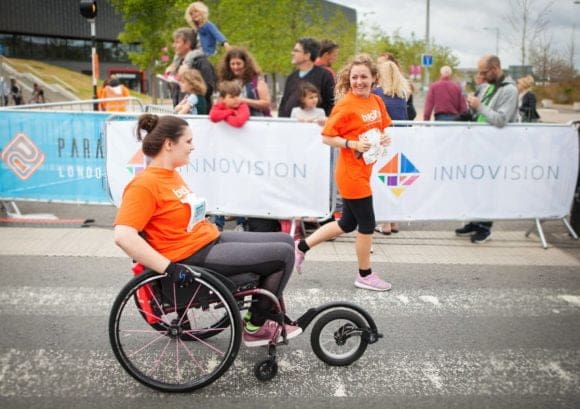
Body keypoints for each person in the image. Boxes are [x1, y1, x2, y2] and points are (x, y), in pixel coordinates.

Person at [113, 113, 302, 347]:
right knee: (282, 256)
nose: (193, 147)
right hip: (190, 254)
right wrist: (168, 268)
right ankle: (255, 325)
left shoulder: (170, 175)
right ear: (169, 144)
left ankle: (267, 312)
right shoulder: (144, 185)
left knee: (284, 240)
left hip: (207, 239)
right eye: (188, 141)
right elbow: (123, 235)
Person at [294, 54, 393, 291]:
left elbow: (379, 129)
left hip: (364, 171)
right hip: (351, 174)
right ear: (349, 79)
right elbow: (327, 136)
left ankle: (300, 247)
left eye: (364, 77)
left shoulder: (377, 102)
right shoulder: (346, 104)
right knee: (367, 223)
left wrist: (384, 138)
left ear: (374, 78)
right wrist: (352, 145)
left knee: (347, 223)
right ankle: (364, 274)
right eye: (354, 77)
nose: (359, 81)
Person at [455, 54, 518, 244]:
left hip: (494, 147)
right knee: (474, 185)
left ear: (495, 68)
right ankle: (474, 221)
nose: (481, 75)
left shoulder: (510, 90)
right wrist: (471, 108)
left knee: (488, 188)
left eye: (484, 71)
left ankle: (485, 227)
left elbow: (500, 119)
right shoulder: (486, 87)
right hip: (476, 144)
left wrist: (479, 106)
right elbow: (477, 113)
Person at [372, 59, 411, 235]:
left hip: (384, 140)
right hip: (401, 140)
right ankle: (394, 221)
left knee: (382, 180)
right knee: (396, 181)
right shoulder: (403, 93)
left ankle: (386, 223)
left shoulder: (377, 93)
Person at [278, 37, 335, 118]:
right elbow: (283, 105)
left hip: (315, 127)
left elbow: (332, 104)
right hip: (291, 127)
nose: (292, 53)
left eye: (296, 51)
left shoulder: (324, 76)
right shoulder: (291, 77)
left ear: (307, 56)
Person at [166, 28, 216, 109]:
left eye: (177, 42)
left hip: (197, 115)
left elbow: (209, 88)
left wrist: (189, 80)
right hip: (182, 112)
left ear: (187, 44)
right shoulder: (178, 63)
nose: (173, 45)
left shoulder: (202, 62)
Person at [217, 47, 271, 117]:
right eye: (232, 64)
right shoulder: (226, 82)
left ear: (246, 64)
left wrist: (243, 101)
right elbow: (219, 103)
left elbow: (266, 104)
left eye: (238, 64)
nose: (235, 67)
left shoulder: (257, 81)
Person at [377, 53, 416, 120]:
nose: (378, 66)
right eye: (378, 63)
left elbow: (411, 111)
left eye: (381, 63)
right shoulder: (375, 82)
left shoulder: (404, 85)